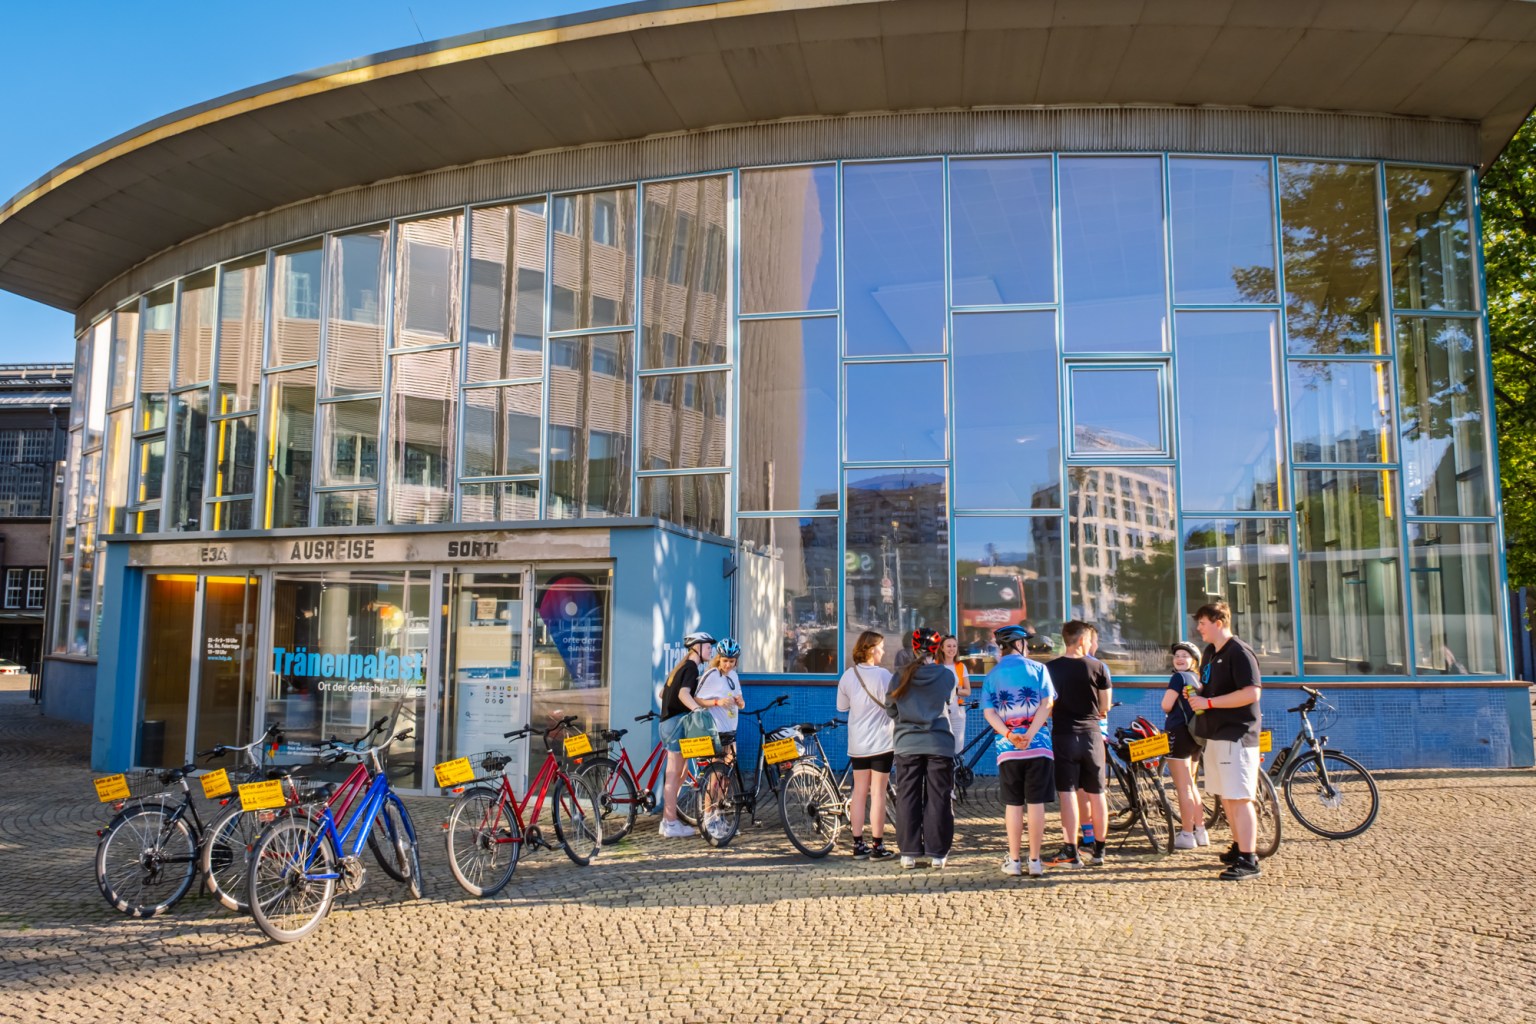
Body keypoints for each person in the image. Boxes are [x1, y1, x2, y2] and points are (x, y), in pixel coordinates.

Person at [1188, 601, 1264, 881]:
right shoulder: (1210, 652)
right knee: (1226, 796)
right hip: (1216, 734)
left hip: (1237, 734)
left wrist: (1208, 701)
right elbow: (1210, 687)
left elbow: (1251, 693)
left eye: (1203, 623)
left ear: (1219, 622)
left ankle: (1249, 859)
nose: (1199, 629)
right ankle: (1239, 846)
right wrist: (1198, 693)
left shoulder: (1239, 652)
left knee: (1240, 797)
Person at [980, 624, 1055, 877]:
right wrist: (1031, 734)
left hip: (1008, 748)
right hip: (1039, 746)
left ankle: (1014, 860)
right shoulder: (1039, 669)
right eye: (1026, 642)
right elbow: (1048, 703)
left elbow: (989, 712)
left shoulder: (992, 676)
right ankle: (1034, 860)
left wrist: (1011, 735)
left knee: (1013, 804)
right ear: (1018, 644)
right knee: (1036, 803)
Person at [885, 627, 956, 870]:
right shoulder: (946, 676)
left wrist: (906, 718)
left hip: (907, 744)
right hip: (939, 743)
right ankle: (938, 854)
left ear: (913, 648)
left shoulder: (899, 676)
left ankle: (908, 853)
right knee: (939, 798)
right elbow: (947, 703)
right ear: (936, 650)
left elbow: (891, 709)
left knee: (907, 796)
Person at [1044, 620, 1111, 867]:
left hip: (1063, 735)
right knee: (1097, 793)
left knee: (1068, 793)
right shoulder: (1099, 667)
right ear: (1083, 640)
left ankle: (1071, 849)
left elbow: (1047, 707)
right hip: (1092, 736)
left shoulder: (1050, 669)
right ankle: (1100, 851)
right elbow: (1104, 706)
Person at [835, 630, 895, 860]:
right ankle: (878, 846)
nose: (884, 651)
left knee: (859, 792)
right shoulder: (885, 676)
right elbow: (894, 705)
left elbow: (842, 708)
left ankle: (858, 844)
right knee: (878, 793)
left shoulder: (847, 677)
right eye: (881, 647)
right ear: (870, 649)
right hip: (882, 742)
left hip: (857, 744)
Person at [657, 630, 714, 838]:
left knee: (679, 774)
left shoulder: (680, 668)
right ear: (696, 648)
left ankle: (670, 819)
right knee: (673, 775)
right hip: (675, 724)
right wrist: (698, 711)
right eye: (708, 646)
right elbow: (683, 694)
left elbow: (662, 693)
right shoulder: (690, 667)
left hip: (669, 723)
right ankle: (669, 822)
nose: (711, 650)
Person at [1162, 640, 1208, 850]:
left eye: (1185, 655)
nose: (1180, 658)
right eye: (1177, 655)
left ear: (1194, 660)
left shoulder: (1178, 677)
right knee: (1191, 784)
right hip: (1196, 736)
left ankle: (1187, 834)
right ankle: (1201, 831)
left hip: (1178, 733)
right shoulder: (1197, 679)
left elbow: (1166, 704)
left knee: (1183, 787)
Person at [695, 637, 745, 755]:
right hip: (715, 731)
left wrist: (741, 702)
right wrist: (717, 702)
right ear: (719, 659)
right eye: (725, 661)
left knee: (729, 766)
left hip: (731, 730)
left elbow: (741, 704)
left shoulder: (734, 675)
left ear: (736, 662)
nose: (728, 665)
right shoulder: (712, 674)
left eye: (731, 661)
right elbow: (696, 700)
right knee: (717, 768)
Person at [938, 634, 972, 755]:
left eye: (954, 646)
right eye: (948, 646)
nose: (951, 649)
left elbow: (968, 691)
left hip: (958, 711)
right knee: (941, 745)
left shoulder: (961, 666)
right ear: (942, 648)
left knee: (958, 747)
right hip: (939, 712)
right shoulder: (935, 666)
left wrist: (954, 690)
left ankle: (956, 772)